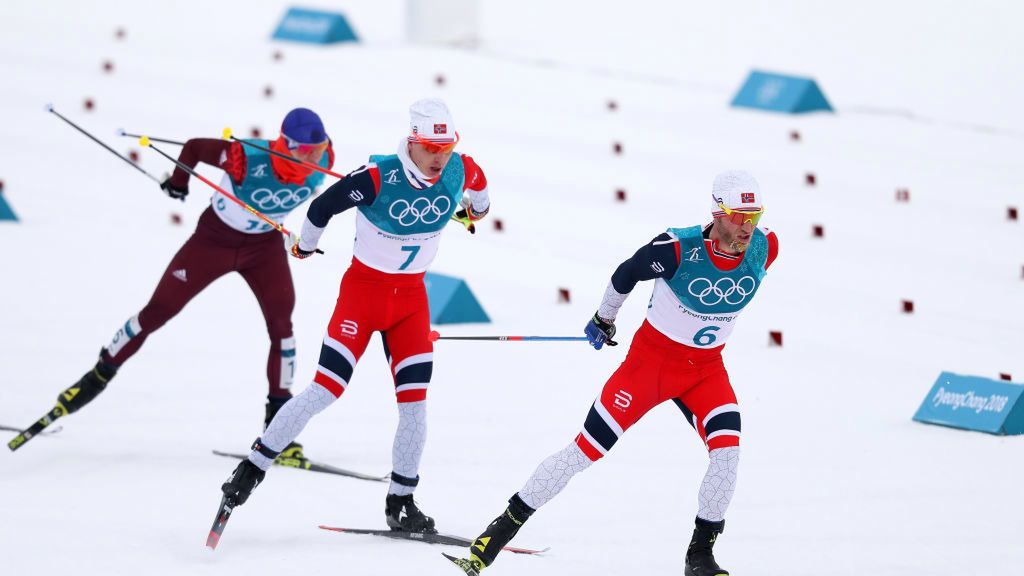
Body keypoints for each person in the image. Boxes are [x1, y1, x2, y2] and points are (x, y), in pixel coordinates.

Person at [446, 171, 779, 576]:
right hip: (650, 366)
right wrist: (605, 318)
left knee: (727, 455)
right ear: (717, 213)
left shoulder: (765, 247)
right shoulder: (678, 248)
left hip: (706, 370)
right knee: (584, 452)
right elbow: (627, 273)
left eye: (754, 216)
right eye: (739, 216)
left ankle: (700, 556)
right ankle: (496, 535)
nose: (747, 226)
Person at [219, 98, 492, 533]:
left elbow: (479, 197)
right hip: (363, 297)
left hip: (411, 304)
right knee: (326, 389)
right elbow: (321, 208)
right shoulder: (375, 178)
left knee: (415, 407)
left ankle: (401, 501)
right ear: (413, 142)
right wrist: (305, 246)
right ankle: (251, 468)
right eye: (431, 148)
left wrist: (471, 209)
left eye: (447, 148)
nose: (440, 157)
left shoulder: (461, 168)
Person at [52, 108, 334, 458]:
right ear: (287, 145)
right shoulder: (245, 157)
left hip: (264, 248)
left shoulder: (327, 157)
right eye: (307, 152)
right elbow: (195, 147)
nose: (314, 158)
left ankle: (278, 425)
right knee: (158, 311)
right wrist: (178, 184)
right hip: (213, 241)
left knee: (283, 326)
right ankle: (96, 376)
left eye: (319, 150)